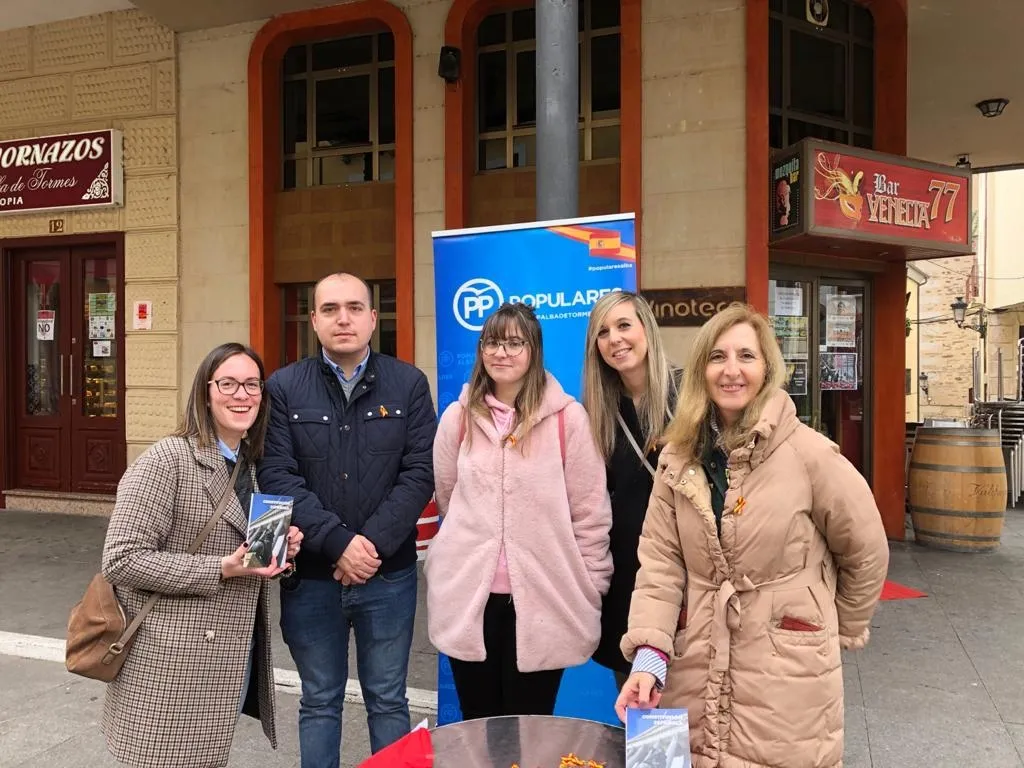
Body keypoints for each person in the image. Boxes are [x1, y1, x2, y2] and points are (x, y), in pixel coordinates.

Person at [614, 303, 889, 768]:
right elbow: (660, 563)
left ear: (767, 368)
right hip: (693, 660)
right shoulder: (676, 457)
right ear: (702, 369)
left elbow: (866, 551)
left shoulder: (810, 455)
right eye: (718, 357)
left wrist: (820, 625)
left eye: (746, 356)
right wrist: (649, 656)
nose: (731, 370)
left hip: (787, 674)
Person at [258, 272, 436, 766]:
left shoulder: (408, 384)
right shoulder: (283, 388)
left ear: (374, 319)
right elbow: (276, 476)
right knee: (319, 702)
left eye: (355, 307)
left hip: (387, 576)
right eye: (331, 309)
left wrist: (368, 548)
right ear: (313, 320)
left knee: (388, 699)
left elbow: (419, 474)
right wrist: (339, 544)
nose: (344, 318)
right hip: (312, 580)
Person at [101, 342, 303, 768]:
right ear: (205, 392)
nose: (241, 394)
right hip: (167, 661)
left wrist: (274, 553)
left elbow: (242, 554)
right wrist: (221, 568)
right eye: (228, 383)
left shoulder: (247, 463)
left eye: (252, 384)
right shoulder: (166, 459)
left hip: (223, 658)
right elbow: (121, 558)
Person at [425, 302, 613, 719]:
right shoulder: (458, 419)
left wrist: (590, 585)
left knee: (531, 727)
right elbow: (449, 498)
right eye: (492, 341)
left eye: (515, 342)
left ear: (534, 350)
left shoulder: (570, 421)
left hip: (545, 598)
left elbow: (590, 512)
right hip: (470, 599)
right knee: (478, 724)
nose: (502, 352)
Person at [582, 290, 680, 690]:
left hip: (686, 574)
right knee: (639, 710)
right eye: (603, 332)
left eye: (624, 325)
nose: (615, 339)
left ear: (646, 330)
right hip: (627, 580)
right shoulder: (596, 413)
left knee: (697, 706)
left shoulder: (690, 394)